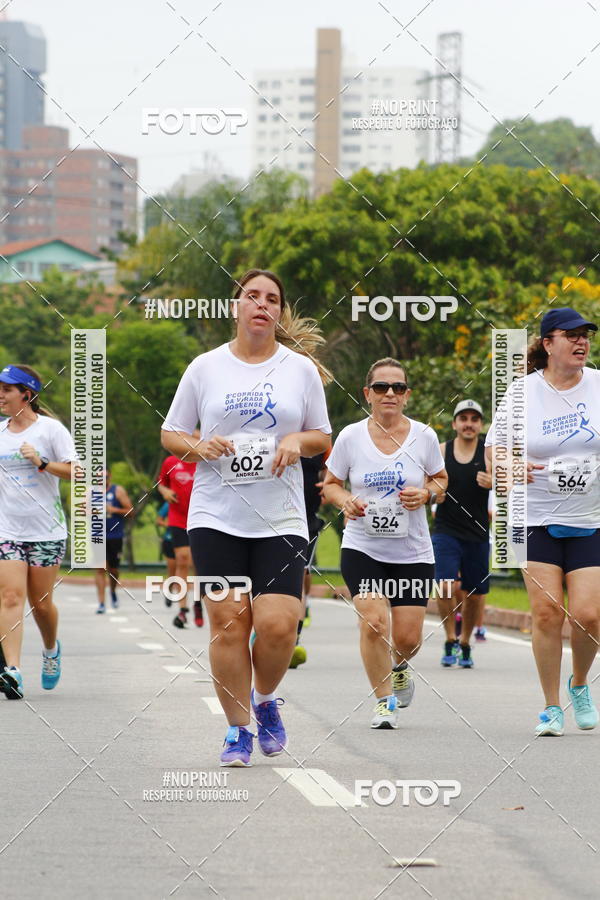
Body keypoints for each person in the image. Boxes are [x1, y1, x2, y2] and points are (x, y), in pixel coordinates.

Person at [161, 268, 331, 766]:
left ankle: (264, 699)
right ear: (235, 306)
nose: (261, 304)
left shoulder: (299, 370)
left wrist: (295, 440)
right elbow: (171, 433)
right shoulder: (205, 367)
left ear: (279, 312)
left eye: (271, 298)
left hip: (281, 516)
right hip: (216, 515)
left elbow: (321, 436)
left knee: (279, 625)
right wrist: (199, 445)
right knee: (228, 622)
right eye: (252, 296)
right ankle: (237, 730)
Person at [485, 307, 600, 736]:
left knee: (589, 615)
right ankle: (551, 706)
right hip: (532, 517)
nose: (581, 341)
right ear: (548, 344)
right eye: (571, 334)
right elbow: (494, 452)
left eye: (585, 335)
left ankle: (579, 683)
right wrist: (511, 467)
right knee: (547, 613)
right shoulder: (522, 392)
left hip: (589, 518)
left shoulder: (598, 385)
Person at [323, 358, 448, 729]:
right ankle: (383, 701)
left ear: (407, 395)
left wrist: (427, 493)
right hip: (363, 546)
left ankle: (398, 665)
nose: (389, 393)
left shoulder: (424, 436)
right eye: (381, 387)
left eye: (398, 387)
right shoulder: (350, 437)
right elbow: (330, 485)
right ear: (368, 394)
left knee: (408, 639)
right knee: (374, 623)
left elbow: (441, 480)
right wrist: (345, 501)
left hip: (412, 551)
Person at [0, 364, 77, 700]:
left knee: (41, 604)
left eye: (7, 389)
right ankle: (13, 671)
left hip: (46, 530)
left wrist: (42, 462)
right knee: (10, 597)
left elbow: (77, 472)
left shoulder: (51, 430)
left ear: (27, 395)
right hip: (7, 530)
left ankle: (50, 649)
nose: (1, 395)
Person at [433, 399, 492, 668]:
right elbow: (427, 481)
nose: (469, 424)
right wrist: (434, 493)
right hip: (446, 530)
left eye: (474, 419)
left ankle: (466, 641)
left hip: (477, 533)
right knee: (444, 585)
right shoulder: (441, 451)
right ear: (455, 423)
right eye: (463, 419)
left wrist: (495, 482)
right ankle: (449, 638)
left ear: (481, 424)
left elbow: (511, 484)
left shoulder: (489, 454)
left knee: (475, 594)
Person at [289, 451, 328, 669]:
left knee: (300, 574)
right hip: (273, 518)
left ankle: (294, 639)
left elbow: (331, 472)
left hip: (307, 522)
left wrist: (328, 484)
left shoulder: (320, 442)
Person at [158, 452, 201, 627]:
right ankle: (183, 610)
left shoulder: (205, 460)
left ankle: (198, 603)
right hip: (177, 518)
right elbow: (161, 483)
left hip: (201, 518)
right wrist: (165, 491)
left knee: (198, 564)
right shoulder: (171, 462)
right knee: (182, 560)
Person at [94, 469, 133, 613]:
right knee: (100, 569)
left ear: (109, 477)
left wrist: (114, 510)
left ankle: (113, 591)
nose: (102, 479)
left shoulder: (118, 491)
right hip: (97, 535)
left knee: (114, 570)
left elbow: (130, 511)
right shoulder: (90, 493)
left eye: (105, 476)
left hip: (115, 536)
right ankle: (101, 603)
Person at [156, 500, 176, 606]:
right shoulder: (169, 504)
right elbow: (158, 520)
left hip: (188, 540)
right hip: (170, 540)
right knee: (172, 569)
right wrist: (171, 525)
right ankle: (169, 592)